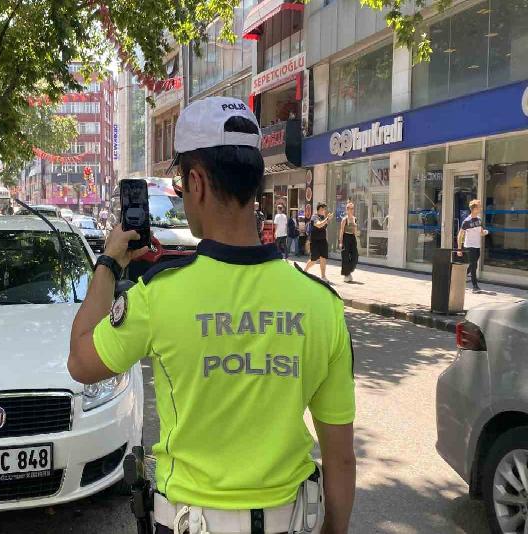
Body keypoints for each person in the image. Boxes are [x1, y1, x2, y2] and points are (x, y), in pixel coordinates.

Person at [67, 96, 356, 534]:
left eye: (182, 187)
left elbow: (81, 361)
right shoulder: (322, 305)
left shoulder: (158, 295)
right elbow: (340, 458)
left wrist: (108, 263)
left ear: (197, 181)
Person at [457, 199, 488, 293]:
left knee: (472, 264)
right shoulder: (466, 221)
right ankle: (475, 287)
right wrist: (459, 249)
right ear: (474, 209)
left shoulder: (479, 220)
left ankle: (459, 279)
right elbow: (460, 235)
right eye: (479, 207)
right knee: (474, 265)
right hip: (469, 246)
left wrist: (485, 232)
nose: (480, 208)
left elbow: (481, 233)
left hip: (477, 246)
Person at [305, 203, 334, 282]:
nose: (324, 211)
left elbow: (324, 229)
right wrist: (327, 219)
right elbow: (319, 225)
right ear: (319, 209)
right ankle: (304, 271)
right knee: (314, 260)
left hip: (323, 240)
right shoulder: (314, 217)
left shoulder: (324, 217)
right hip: (315, 241)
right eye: (322, 209)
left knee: (323, 258)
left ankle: (323, 276)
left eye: (324, 209)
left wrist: (327, 219)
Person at [338, 202, 360, 283]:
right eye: (349, 208)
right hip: (345, 237)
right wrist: (340, 242)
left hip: (352, 238)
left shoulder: (355, 218)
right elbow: (341, 231)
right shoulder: (344, 219)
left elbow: (355, 231)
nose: (351, 210)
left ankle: (349, 271)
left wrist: (355, 226)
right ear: (347, 210)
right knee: (345, 257)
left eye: (352, 208)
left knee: (355, 256)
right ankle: (346, 275)